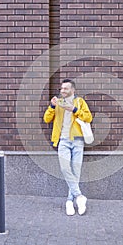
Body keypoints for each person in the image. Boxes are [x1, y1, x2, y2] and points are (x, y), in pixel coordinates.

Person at [43, 79, 93, 216]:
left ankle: (70, 201)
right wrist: (52, 106)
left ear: (73, 90)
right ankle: (79, 197)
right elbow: (47, 119)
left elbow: (88, 117)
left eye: (65, 88)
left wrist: (74, 110)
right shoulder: (58, 102)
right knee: (65, 168)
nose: (62, 91)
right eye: (61, 88)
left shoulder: (79, 102)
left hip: (77, 141)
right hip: (63, 141)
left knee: (76, 172)